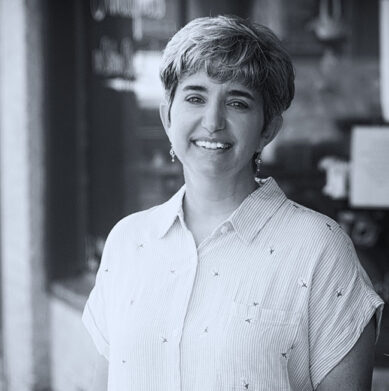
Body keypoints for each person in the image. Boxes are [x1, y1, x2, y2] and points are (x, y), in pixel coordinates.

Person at [82, 15, 384, 390]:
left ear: (268, 128)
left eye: (238, 102)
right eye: (195, 97)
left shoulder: (319, 249)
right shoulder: (127, 242)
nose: (213, 121)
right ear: (167, 115)